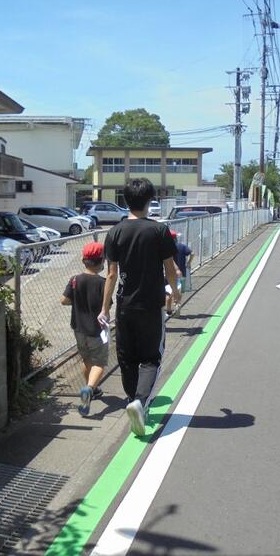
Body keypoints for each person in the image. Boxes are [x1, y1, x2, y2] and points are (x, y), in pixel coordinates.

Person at [99, 179, 180, 436]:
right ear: (149, 200)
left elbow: (111, 274)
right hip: (151, 305)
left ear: (126, 200)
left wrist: (104, 308)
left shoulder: (114, 232)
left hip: (124, 306)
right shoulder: (159, 230)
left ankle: (132, 399)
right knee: (151, 357)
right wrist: (175, 291)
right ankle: (140, 401)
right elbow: (169, 267)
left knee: (127, 357)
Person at [60, 241, 108, 416]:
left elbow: (64, 300)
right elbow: (107, 304)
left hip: (78, 328)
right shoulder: (102, 283)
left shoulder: (75, 279)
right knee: (99, 363)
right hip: (96, 330)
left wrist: (78, 301)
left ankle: (91, 389)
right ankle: (89, 388)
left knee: (86, 359)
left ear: (83, 260)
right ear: (102, 261)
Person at [166, 230, 193, 315]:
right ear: (176, 238)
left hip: (170, 273)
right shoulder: (182, 246)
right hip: (182, 273)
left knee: (169, 292)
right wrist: (188, 263)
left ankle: (169, 310)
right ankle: (177, 304)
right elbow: (192, 253)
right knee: (179, 291)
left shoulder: (166, 248)